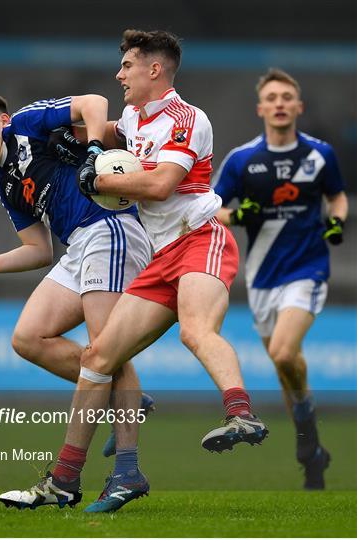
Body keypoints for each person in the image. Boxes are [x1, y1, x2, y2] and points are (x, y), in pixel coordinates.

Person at [31, 29, 268, 514]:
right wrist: (61, 136)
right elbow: (107, 128)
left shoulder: (187, 117)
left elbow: (160, 185)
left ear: (153, 70)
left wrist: (98, 176)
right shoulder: (137, 117)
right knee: (98, 358)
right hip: (161, 256)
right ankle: (87, 476)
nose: (119, 75)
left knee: (196, 331)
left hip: (201, 238)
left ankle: (240, 415)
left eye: (127, 66)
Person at [0, 92, 154, 509]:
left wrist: (94, 146)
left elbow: (94, 102)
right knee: (28, 338)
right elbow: (38, 250)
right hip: (77, 245)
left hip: (107, 227)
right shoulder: (6, 183)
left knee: (105, 352)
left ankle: (124, 471)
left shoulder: (26, 123)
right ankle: (124, 397)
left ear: (2, 120)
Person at [212, 68, 348, 490]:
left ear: (298, 106)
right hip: (263, 278)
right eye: (272, 98)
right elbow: (208, 209)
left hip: (307, 269)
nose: (280, 103)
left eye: (287, 97)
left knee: (287, 355)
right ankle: (312, 450)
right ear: (261, 109)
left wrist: (336, 223)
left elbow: (336, 196)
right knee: (285, 368)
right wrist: (238, 216)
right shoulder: (242, 159)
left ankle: (307, 442)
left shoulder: (320, 155)